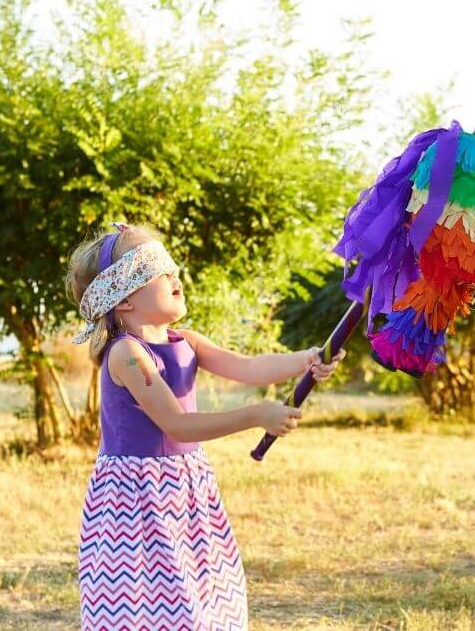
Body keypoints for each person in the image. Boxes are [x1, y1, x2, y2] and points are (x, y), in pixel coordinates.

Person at [66, 222, 343, 629]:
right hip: (136, 501)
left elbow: (250, 368)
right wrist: (254, 415)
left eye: (171, 266)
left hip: (184, 487)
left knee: (201, 595)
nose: (174, 275)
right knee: (150, 606)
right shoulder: (126, 354)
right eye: (157, 271)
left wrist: (307, 359)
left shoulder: (185, 340)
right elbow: (177, 424)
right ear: (123, 299)